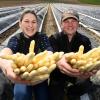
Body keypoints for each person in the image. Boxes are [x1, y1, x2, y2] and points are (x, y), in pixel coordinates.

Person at [0, 9, 53, 100]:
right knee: (22, 94)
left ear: (37, 24)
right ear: (20, 24)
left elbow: (48, 50)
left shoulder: (42, 37)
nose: (30, 25)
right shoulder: (16, 39)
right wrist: (4, 61)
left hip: (37, 73)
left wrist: (49, 57)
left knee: (43, 96)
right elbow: (8, 50)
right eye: (26, 21)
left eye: (34, 22)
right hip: (21, 75)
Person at [49, 9, 96, 100]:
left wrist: (89, 71)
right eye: (66, 21)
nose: (70, 24)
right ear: (61, 24)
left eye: (73, 21)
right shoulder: (54, 39)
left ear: (78, 24)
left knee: (85, 94)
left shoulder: (85, 41)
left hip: (79, 80)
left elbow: (89, 62)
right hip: (58, 79)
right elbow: (51, 58)